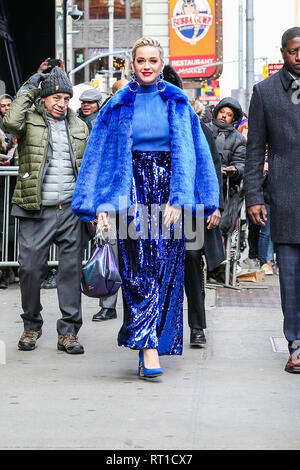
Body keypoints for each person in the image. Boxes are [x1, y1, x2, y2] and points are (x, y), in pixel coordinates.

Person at [72, 37, 219, 378]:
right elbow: (101, 157)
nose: (148, 65)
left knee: (167, 269)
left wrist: (182, 198)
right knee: (137, 268)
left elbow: (195, 153)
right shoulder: (117, 104)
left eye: (153, 60)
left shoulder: (178, 102)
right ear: (132, 65)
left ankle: (153, 339)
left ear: (161, 63)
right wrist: (102, 206)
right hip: (130, 189)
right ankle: (147, 346)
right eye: (141, 61)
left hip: (169, 192)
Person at [4, 66, 89, 354]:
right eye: (56, 97)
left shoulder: (79, 126)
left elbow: (87, 167)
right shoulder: (29, 120)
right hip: (35, 209)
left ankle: (68, 332)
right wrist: (28, 89)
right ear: (44, 98)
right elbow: (9, 123)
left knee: (70, 272)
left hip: (70, 211)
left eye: (66, 98)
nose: (62, 103)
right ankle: (31, 325)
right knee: (29, 269)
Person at [244, 27, 300, 374]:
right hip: (285, 198)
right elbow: (254, 150)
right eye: (295, 51)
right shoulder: (264, 93)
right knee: (291, 280)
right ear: (283, 53)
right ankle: (295, 346)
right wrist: (254, 196)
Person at [92, 78, 128, 322]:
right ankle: (108, 304)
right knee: (109, 251)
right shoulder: (105, 119)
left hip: (138, 199)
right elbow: (98, 164)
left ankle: (136, 305)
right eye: (119, 91)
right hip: (111, 201)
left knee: (137, 255)